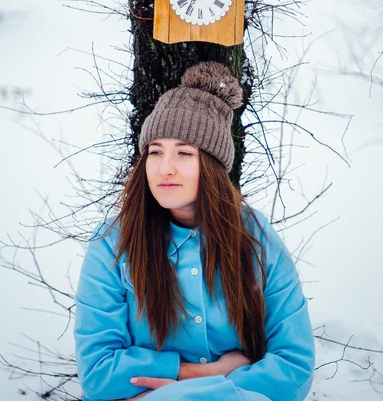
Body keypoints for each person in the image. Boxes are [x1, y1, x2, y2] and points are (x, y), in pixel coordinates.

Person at [74, 61, 315, 401]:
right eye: (155, 152)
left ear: (213, 166)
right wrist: (206, 373)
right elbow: (98, 374)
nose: (165, 168)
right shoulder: (113, 243)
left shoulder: (257, 239)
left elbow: (294, 368)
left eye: (184, 153)